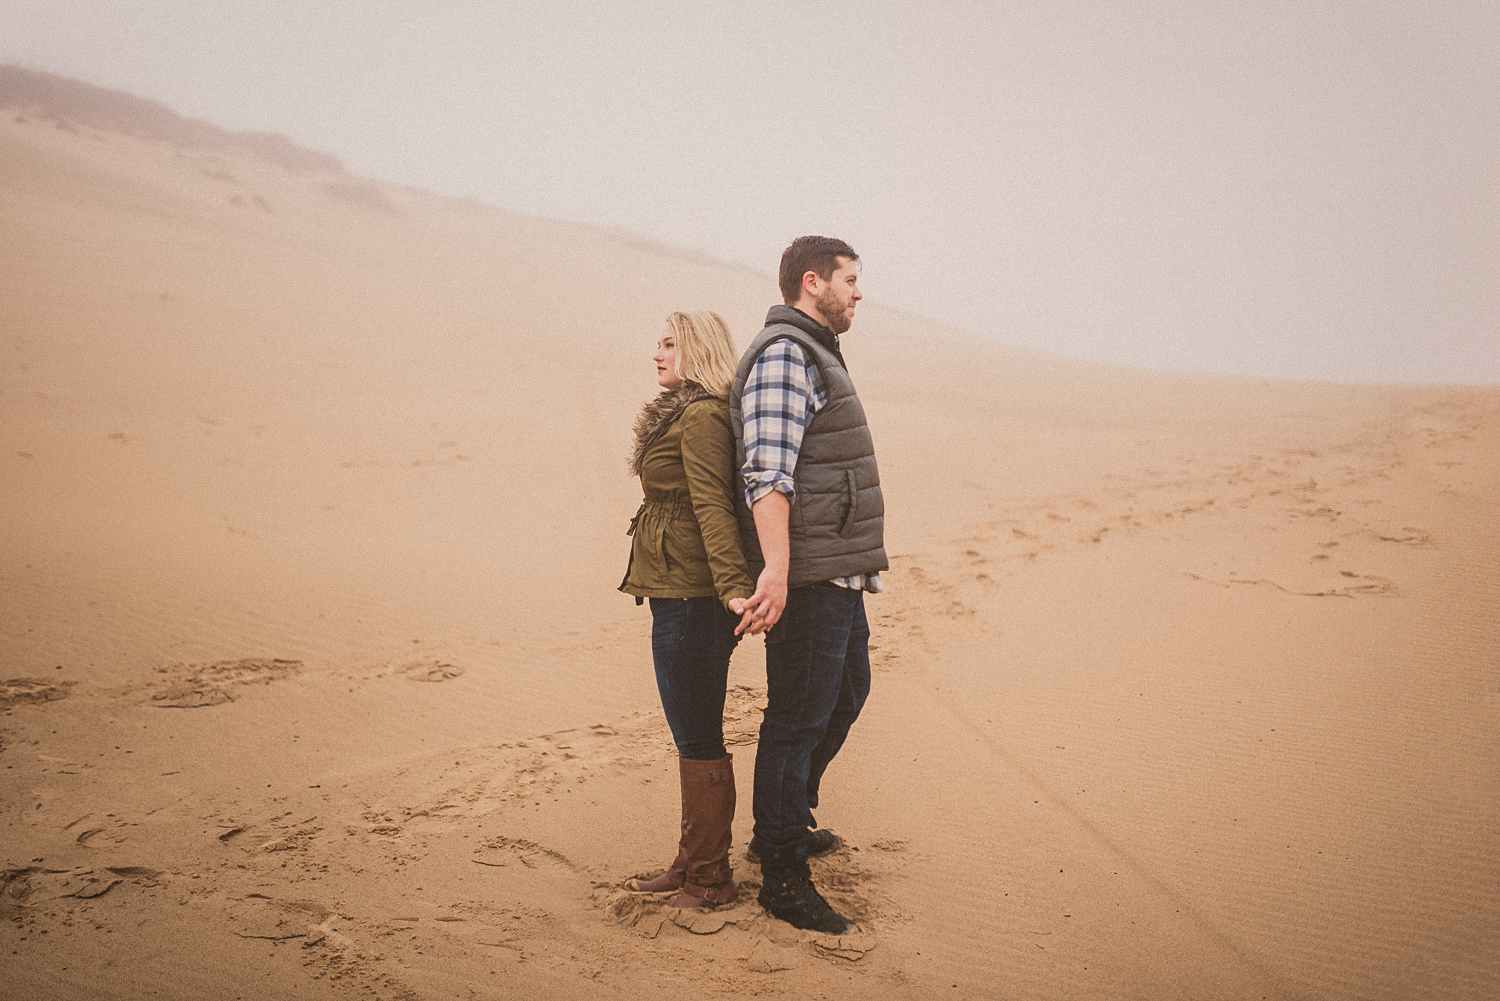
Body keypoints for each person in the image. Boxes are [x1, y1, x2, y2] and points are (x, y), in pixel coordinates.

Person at [730, 236, 887, 934]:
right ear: (812, 282)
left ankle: (785, 814)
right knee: (796, 718)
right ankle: (782, 870)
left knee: (845, 692)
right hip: (809, 575)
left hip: (836, 568)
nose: (859, 292)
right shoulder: (785, 355)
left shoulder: (816, 351)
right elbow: (768, 470)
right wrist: (777, 568)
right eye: (850, 280)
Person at [619, 310, 756, 909]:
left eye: (670, 344)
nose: (657, 353)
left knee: (698, 736)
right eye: (658, 343)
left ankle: (710, 878)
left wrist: (732, 588)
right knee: (691, 733)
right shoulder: (687, 412)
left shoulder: (700, 417)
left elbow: (712, 505)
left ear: (697, 350)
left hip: (694, 599)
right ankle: (691, 860)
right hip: (677, 590)